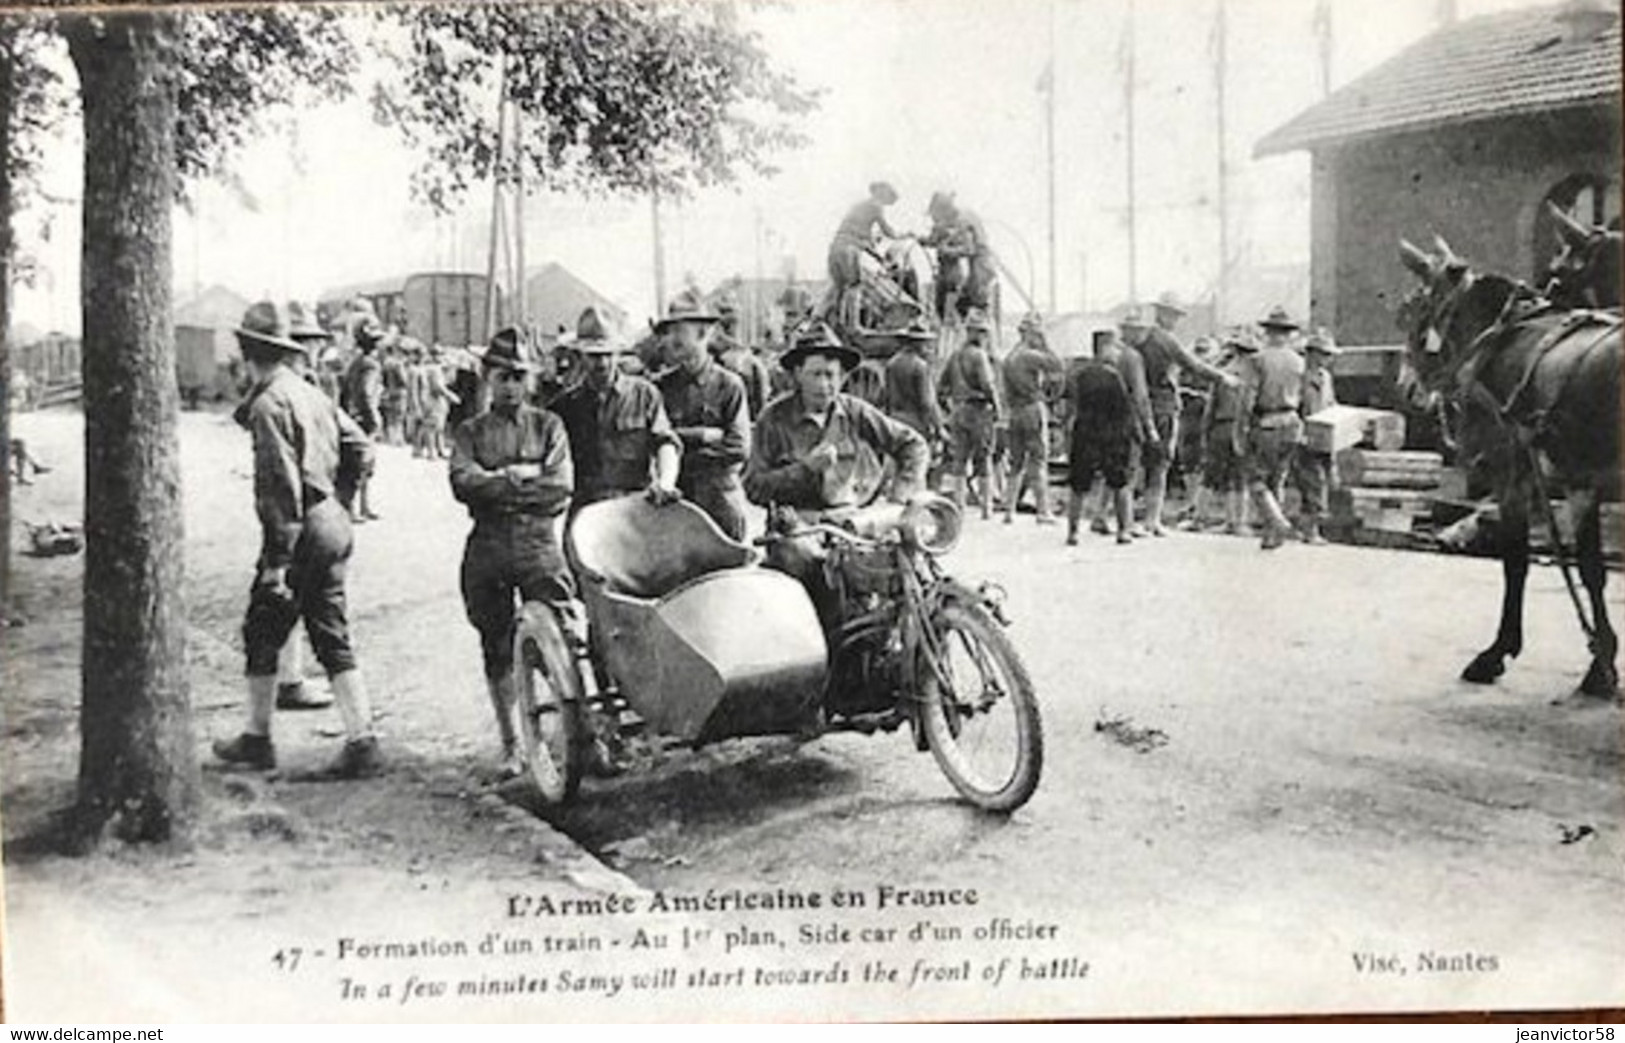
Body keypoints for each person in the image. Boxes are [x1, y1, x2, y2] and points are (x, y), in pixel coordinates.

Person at [212, 301, 383, 779]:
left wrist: (277, 562)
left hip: (302, 527)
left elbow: (279, 487)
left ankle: (260, 739)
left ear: (249, 354)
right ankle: (359, 738)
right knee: (324, 627)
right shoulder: (309, 392)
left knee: (263, 626)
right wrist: (340, 501)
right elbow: (361, 447)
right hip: (328, 521)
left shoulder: (269, 404)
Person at [449, 326, 577, 777]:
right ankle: (511, 744)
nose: (511, 386)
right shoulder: (470, 431)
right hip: (488, 547)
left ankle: (584, 738)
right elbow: (462, 483)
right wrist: (519, 476)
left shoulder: (549, 425)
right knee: (496, 645)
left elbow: (559, 488)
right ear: (487, 376)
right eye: (503, 376)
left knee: (564, 639)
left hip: (540, 545)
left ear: (531, 379)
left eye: (519, 376)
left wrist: (497, 481)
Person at [743, 322, 929, 630]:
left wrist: (900, 498)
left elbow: (912, 444)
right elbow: (753, 486)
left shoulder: (855, 412)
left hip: (850, 523)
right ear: (797, 375)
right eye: (815, 374)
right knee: (819, 587)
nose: (824, 384)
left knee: (905, 570)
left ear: (842, 377)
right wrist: (804, 470)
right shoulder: (773, 419)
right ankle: (825, 661)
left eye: (831, 375)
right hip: (797, 528)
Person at [549, 307, 682, 519]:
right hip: (586, 514)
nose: (601, 363)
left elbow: (665, 443)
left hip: (635, 510)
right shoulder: (564, 407)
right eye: (593, 355)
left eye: (607, 354)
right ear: (580, 355)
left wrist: (666, 482)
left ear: (618, 353)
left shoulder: (644, 395)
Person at [1130, 292, 1240, 536]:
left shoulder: (1144, 338)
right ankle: (1152, 520)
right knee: (1160, 464)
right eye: (1174, 315)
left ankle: (1130, 519)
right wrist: (1223, 377)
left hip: (1143, 404)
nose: (1176, 320)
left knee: (1140, 462)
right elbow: (1192, 364)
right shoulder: (1165, 339)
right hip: (1163, 405)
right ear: (1165, 315)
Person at [655, 293, 752, 540]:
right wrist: (702, 435)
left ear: (702, 333)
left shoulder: (729, 385)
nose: (670, 339)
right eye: (668, 331)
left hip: (721, 502)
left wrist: (679, 450)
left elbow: (738, 448)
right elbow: (654, 441)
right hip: (677, 502)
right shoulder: (660, 387)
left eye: (679, 330)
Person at [1066, 327, 1156, 546]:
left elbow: (1070, 404)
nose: (1117, 352)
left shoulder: (1079, 374)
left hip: (1084, 432)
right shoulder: (1113, 376)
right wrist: (1139, 432)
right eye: (1114, 347)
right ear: (1105, 348)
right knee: (1120, 483)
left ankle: (1073, 532)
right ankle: (1124, 530)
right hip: (1111, 434)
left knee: (1078, 485)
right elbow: (1125, 407)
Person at [1238, 306, 1307, 551]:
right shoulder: (1299, 362)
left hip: (1266, 423)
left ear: (1267, 332)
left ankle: (1276, 521)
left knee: (1256, 479)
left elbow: (1248, 398)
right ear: (1288, 334)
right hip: (1292, 423)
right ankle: (1271, 535)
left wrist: (1241, 429)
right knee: (1278, 479)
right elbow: (1305, 399)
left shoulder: (1257, 360)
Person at [1181, 328, 1256, 535]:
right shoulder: (1255, 376)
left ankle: (1199, 518)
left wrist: (1206, 431)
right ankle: (1237, 522)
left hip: (1221, 427)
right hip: (1244, 428)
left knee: (1210, 475)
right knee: (1239, 476)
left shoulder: (1223, 374)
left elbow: (1211, 407)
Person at [1001, 313, 1066, 525]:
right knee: (1038, 460)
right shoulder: (1029, 356)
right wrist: (1044, 343)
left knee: (1016, 462)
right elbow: (1057, 365)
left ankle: (1009, 510)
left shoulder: (1010, 356)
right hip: (1032, 408)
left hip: (1015, 412)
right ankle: (1043, 510)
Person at [940, 308, 1003, 519]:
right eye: (983, 332)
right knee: (984, 458)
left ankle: (958, 507)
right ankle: (986, 508)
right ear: (975, 333)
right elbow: (988, 385)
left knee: (959, 460)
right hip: (979, 412)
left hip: (958, 412)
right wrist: (998, 409)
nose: (985, 337)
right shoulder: (979, 356)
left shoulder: (954, 356)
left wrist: (952, 408)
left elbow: (941, 389)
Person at [828, 182, 903, 329]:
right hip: (849, 249)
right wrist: (902, 235)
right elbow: (887, 231)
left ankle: (837, 323)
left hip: (836, 248)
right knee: (855, 285)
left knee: (840, 288)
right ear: (881, 191)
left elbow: (864, 242)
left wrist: (879, 257)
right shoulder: (875, 206)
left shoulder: (858, 207)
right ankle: (854, 325)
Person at [881, 317, 945, 482]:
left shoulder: (891, 363)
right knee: (917, 467)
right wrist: (938, 428)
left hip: (894, 419)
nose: (927, 347)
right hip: (915, 422)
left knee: (897, 466)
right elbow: (927, 402)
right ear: (917, 344)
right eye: (924, 343)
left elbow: (885, 396)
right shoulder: (920, 366)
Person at [1293, 328, 1340, 544]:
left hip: (1325, 435)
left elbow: (1330, 403)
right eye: (1323, 354)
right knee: (1312, 482)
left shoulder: (1326, 378)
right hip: (1305, 435)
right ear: (1311, 354)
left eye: (1328, 355)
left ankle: (1310, 528)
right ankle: (1309, 530)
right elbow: (1294, 405)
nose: (1326, 359)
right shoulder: (1300, 376)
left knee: (1324, 481)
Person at [923, 191, 995, 319]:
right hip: (974, 264)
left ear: (945, 211)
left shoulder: (962, 220)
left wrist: (947, 250)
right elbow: (935, 239)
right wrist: (923, 240)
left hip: (981, 264)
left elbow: (969, 249)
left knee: (971, 303)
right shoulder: (954, 218)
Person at [341, 319, 385, 521]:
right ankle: (355, 508)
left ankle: (361, 506)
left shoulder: (355, 363)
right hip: (365, 418)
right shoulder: (371, 365)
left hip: (352, 416)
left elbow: (344, 393)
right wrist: (374, 418)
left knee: (357, 463)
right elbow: (367, 393)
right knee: (364, 464)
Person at [712, 293, 774, 421]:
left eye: (730, 311)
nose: (728, 317)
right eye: (724, 311)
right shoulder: (712, 358)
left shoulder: (751, 362)